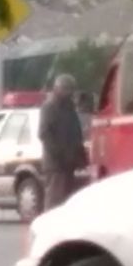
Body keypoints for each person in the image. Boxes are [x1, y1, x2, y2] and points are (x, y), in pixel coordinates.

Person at [39, 74, 87, 210]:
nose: (70, 93)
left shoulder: (69, 108)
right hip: (56, 165)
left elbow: (76, 133)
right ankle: (49, 223)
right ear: (58, 89)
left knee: (66, 202)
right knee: (54, 200)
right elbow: (44, 134)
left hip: (68, 164)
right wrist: (60, 155)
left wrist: (80, 156)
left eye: (71, 90)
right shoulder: (49, 107)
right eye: (67, 89)